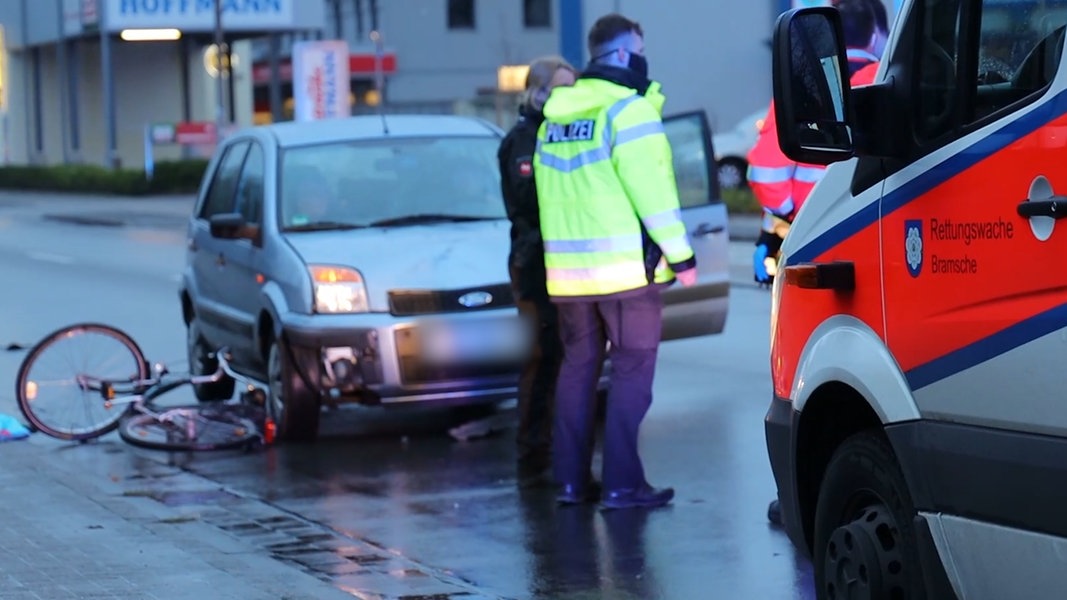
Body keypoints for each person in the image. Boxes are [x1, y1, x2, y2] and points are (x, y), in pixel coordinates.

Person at [533, 13, 698, 510]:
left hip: (567, 278)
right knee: (631, 375)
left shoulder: (554, 120)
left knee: (577, 373)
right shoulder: (629, 112)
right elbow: (654, 193)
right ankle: (623, 486)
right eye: (641, 48)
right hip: (627, 274)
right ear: (625, 54)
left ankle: (569, 483)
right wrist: (682, 254)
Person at [760, 0, 889, 526]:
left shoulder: (807, 85)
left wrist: (793, 212)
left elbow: (767, 176)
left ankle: (798, 491)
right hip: (878, 231)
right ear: (881, 32)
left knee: (798, 372)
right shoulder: (890, 74)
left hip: (812, 242)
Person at [747, 0, 889, 286]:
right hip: (874, 224)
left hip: (811, 229)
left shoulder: (806, 85)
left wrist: (787, 217)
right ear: (874, 37)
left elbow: (766, 169)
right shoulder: (886, 80)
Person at [497, 56, 578, 489]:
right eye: (562, 88)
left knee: (565, 361)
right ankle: (532, 455)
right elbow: (528, 201)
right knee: (539, 360)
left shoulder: (555, 135)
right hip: (534, 266)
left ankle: (558, 453)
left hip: (565, 266)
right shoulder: (524, 140)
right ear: (539, 92)